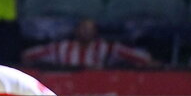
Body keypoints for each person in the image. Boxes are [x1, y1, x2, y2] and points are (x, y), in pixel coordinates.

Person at [21, 18, 155, 68]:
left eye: (90, 29)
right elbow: (28, 56)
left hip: (95, 90)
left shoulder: (106, 48)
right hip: (66, 92)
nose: (86, 32)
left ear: (95, 31)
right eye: (83, 28)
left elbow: (140, 58)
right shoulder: (61, 48)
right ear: (76, 30)